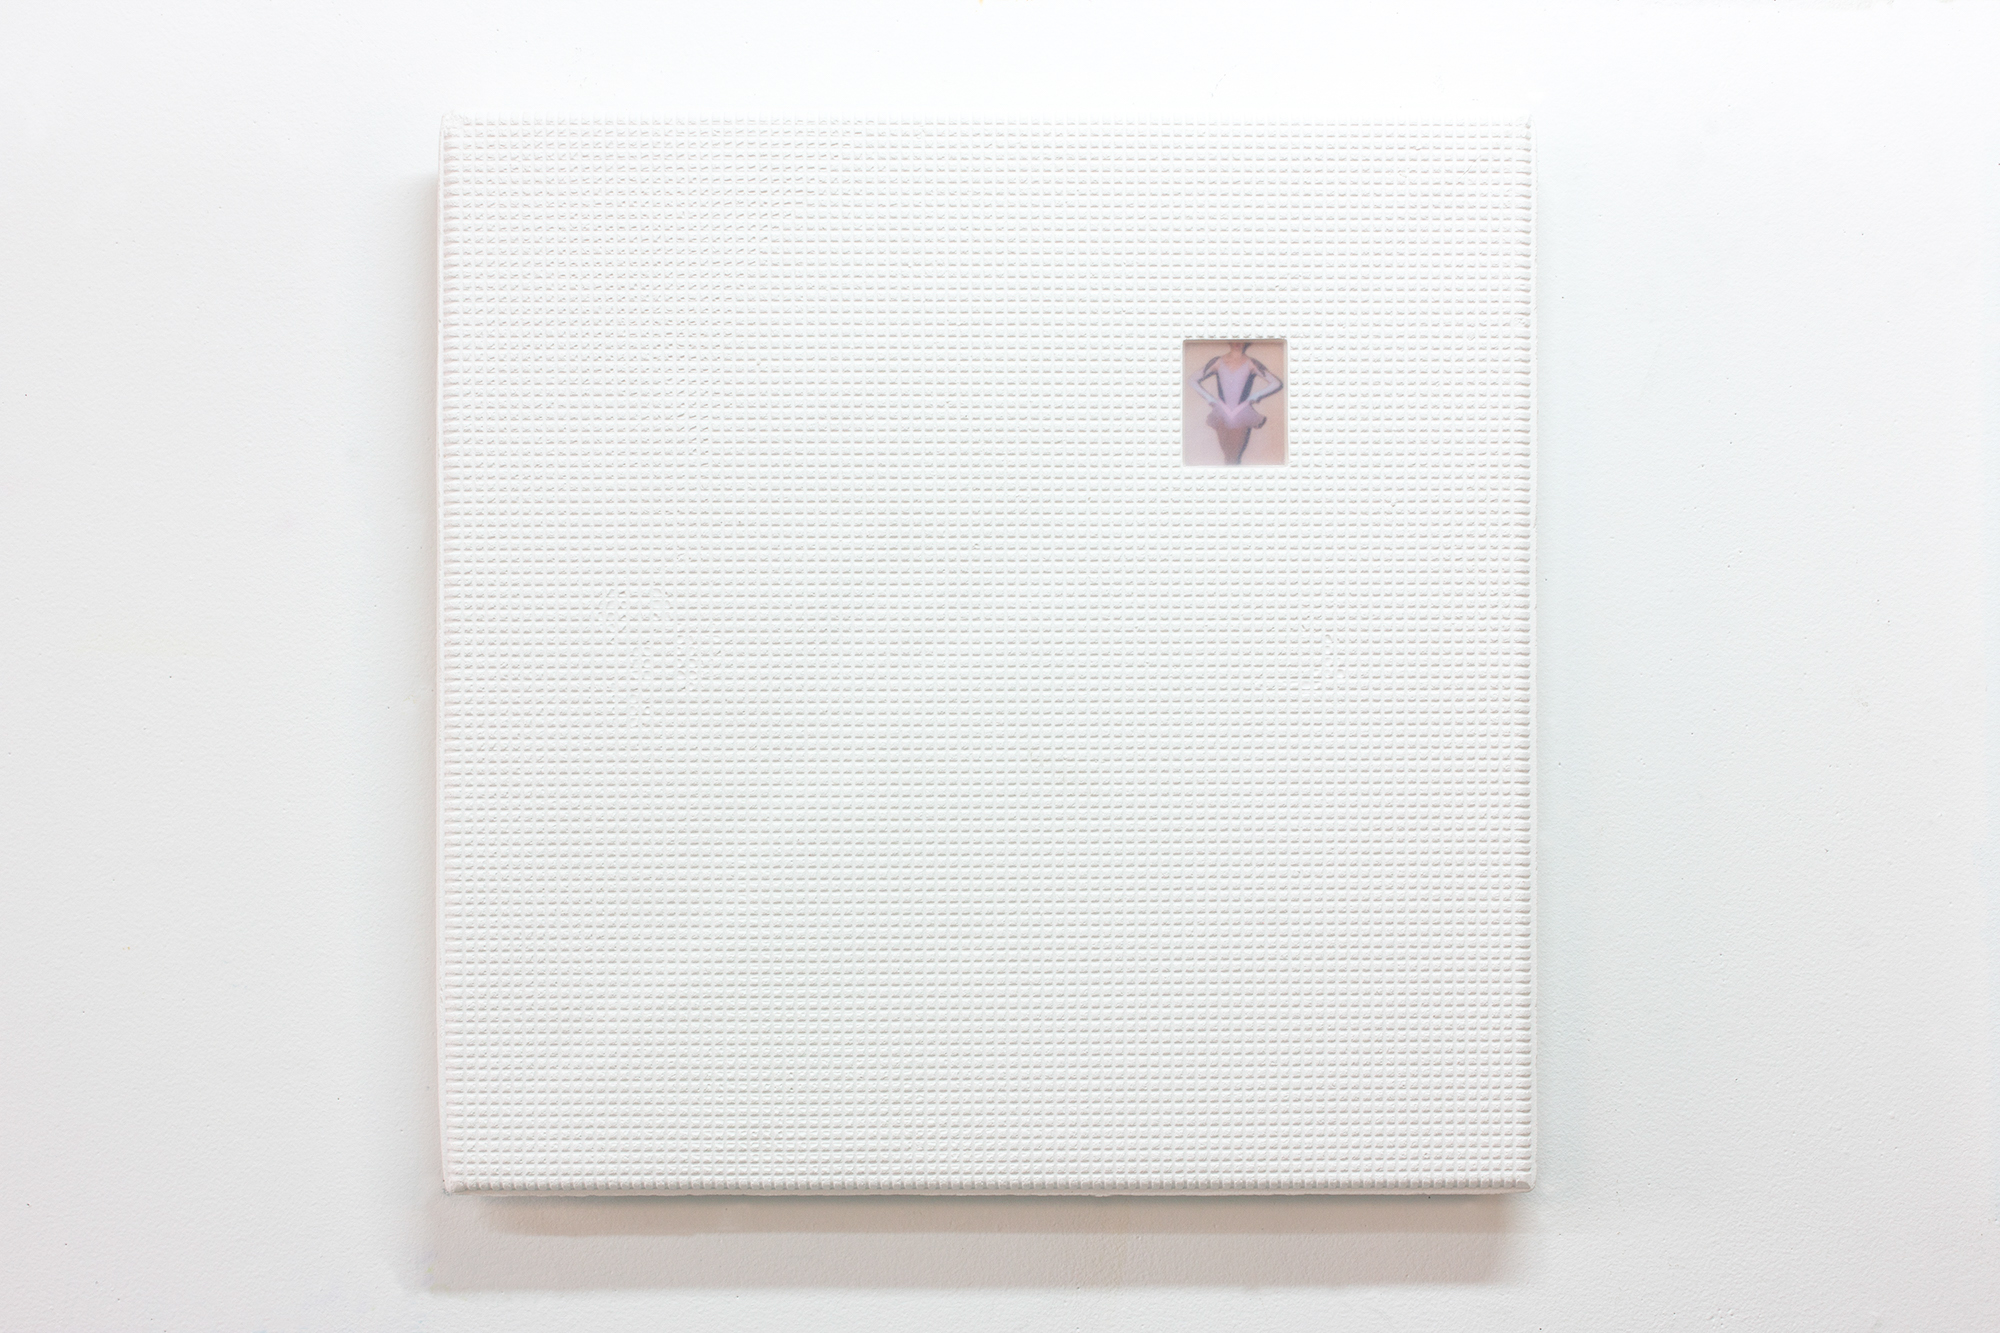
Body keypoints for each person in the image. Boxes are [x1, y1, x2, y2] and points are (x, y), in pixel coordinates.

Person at [1188, 343, 1284, 464]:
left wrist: (1255, 396)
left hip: (1240, 413)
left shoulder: (1251, 363)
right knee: (1227, 458)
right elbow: (1192, 379)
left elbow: (1275, 383)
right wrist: (1209, 399)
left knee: (1234, 458)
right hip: (1221, 412)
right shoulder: (1218, 362)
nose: (1237, 342)